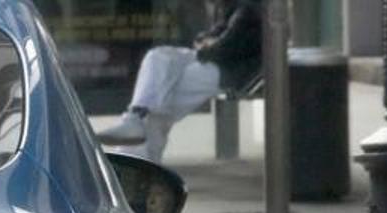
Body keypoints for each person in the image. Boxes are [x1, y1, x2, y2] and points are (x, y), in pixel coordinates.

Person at [96, 0, 262, 163]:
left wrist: (207, 47)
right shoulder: (230, 7)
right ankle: (135, 117)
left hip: (230, 72)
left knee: (164, 97)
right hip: (213, 61)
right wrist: (207, 44)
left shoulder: (247, 9)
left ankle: (136, 155)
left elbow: (226, 48)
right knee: (158, 56)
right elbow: (208, 37)